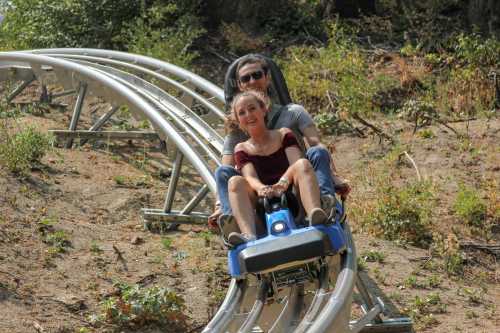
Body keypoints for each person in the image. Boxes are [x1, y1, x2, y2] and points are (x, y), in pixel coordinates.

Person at [209, 54, 349, 230]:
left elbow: (315, 144)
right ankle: (230, 219)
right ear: (240, 85)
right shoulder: (237, 133)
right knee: (224, 172)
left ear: (267, 78)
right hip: (258, 186)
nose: (252, 81)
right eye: (246, 78)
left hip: (295, 178)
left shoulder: (293, 113)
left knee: (316, 153)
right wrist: (220, 202)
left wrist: (333, 175)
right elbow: (227, 169)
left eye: (257, 75)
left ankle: (323, 201)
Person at [226, 90, 328, 244]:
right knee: (235, 181)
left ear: (263, 109)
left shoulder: (283, 134)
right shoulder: (241, 148)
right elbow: (250, 176)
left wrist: (283, 181)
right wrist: (261, 188)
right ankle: (249, 234)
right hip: (262, 203)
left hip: (293, 195)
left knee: (303, 164)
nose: (248, 115)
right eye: (242, 113)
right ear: (239, 122)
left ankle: (313, 214)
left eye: (252, 108)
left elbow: (295, 163)